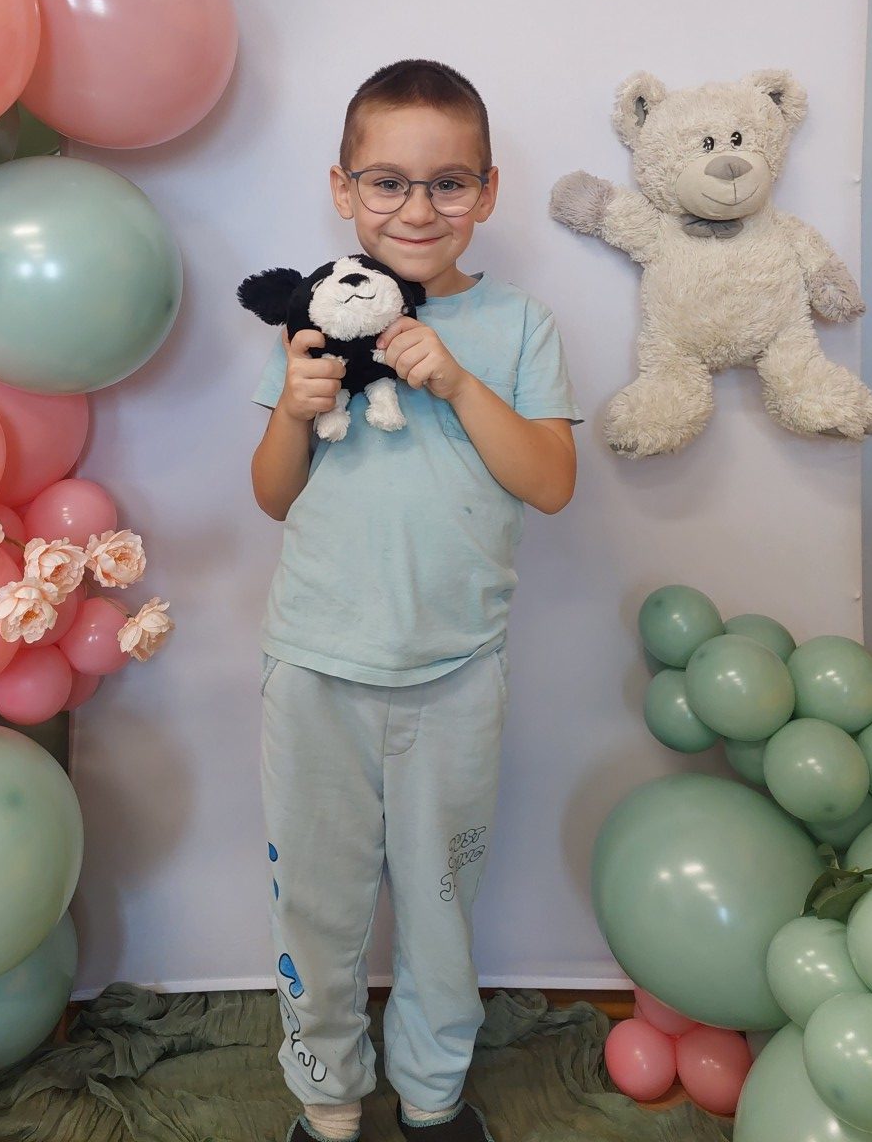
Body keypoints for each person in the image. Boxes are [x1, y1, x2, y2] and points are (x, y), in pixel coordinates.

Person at [249, 59, 581, 1142]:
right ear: (342, 188)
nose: (417, 209)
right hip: (315, 665)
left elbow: (552, 482)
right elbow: (274, 496)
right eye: (387, 182)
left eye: (448, 183)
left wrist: (456, 381)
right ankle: (329, 1101)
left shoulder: (519, 324)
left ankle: (433, 1097)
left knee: (441, 904)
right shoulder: (313, 319)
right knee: (318, 903)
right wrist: (292, 409)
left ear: (487, 191)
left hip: (455, 670)